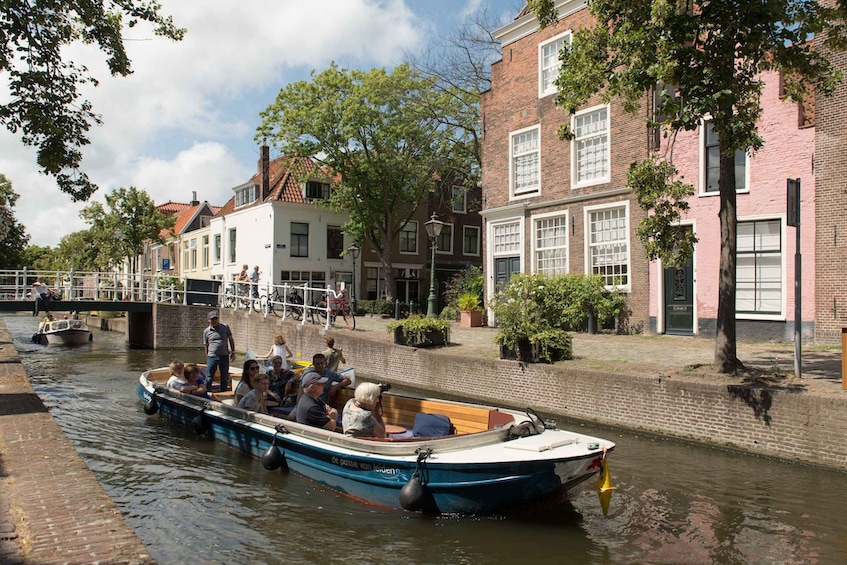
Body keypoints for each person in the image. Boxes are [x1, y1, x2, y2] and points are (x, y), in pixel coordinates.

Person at [203, 311, 235, 392]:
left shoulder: (225, 327)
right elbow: (206, 345)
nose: (214, 321)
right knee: (209, 377)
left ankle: (223, 392)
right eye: (212, 319)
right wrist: (207, 356)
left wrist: (233, 352)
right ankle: (207, 392)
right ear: (208, 320)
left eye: (215, 319)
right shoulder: (206, 331)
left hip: (224, 356)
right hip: (212, 356)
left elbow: (231, 339)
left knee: (224, 376)